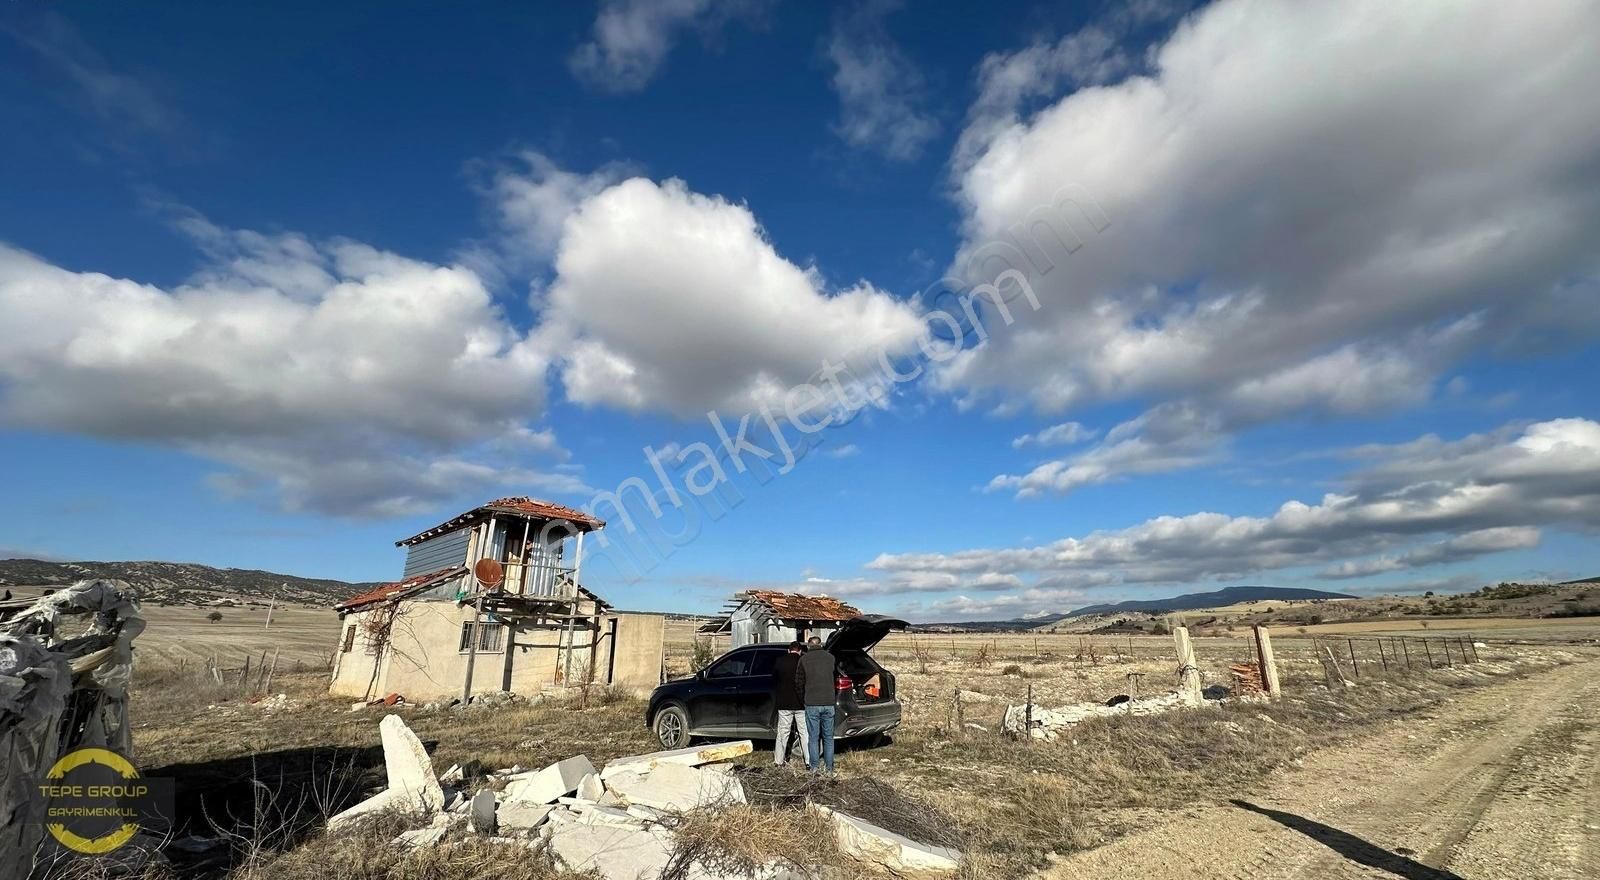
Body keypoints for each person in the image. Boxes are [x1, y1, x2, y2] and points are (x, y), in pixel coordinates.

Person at [797, 635, 838, 773]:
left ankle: (814, 768)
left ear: (808, 646)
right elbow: (835, 678)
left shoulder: (803, 659)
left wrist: (803, 699)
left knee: (813, 738)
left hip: (812, 702)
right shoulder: (830, 658)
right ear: (821, 644)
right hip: (828, 702)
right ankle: (829, 769)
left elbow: (799, 682)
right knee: (828, 737)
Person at [772, 641, 809, 766]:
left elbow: (774, 680)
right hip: (801, 703)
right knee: (804, 732)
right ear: (799, 651)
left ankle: (779, 760)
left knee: (783, 732)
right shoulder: (803, 662)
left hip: (784, 702)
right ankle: (808, 761)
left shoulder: (779, 661)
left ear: (788, 650)